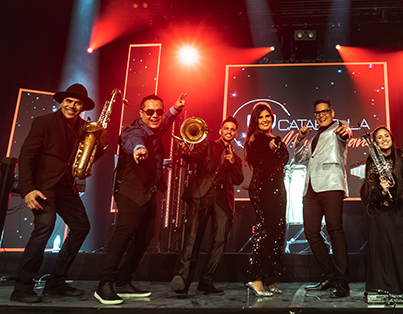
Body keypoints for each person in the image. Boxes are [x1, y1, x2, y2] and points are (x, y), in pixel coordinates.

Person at [11, 83, 106, 303]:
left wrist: (101, 145)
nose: (72, 106)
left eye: (77, 103)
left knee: (82, 226)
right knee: (45, 226)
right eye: (69, 101)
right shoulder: (43, 122)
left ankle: (55, 283)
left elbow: (87, 160)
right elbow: (26, 156)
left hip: (66, 186)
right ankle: (22, 287)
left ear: (83, 106)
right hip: (43, 185)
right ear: (62, 102)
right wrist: (28, 189)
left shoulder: (85, 127)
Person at [94, 93, 186, 304]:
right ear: (141, 113)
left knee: (145, 236)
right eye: (150, 112)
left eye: (159, 112)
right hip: (130, 191)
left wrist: (174, 109)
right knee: (125, 233)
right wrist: (139, 148)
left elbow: (163, 125)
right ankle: (104, 283)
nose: (155, 116)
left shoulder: (154, 129)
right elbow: (132, 140)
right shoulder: (134, 131)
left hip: (147, 192)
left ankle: (123, 281)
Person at [170, 116, 243, 297]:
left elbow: (239, 179)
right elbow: (192, 158)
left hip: (223, 200)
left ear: (235, 134)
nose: (229, 132)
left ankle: (206, 282)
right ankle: (183, 280)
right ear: (220, 130)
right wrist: (185, 151)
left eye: (232, 129)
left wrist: (232, 162)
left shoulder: (236, 157)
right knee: (193, 237)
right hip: (201, 194)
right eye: (226, 128)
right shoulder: (207, 144)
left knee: (219, 241)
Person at [295, 98, 351, 298]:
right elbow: (298, 158)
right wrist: (300, 138)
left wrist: (345, 131)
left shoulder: (339, 129)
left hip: (331, 185)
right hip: (310, 188)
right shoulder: (313, 137)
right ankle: (329, 275)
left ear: (332, 112)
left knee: (335, 229)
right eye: (317, 113)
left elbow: (346, 135)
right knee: (311, 232)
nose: (321, 115)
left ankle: (342, 281)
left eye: (324, 111)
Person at [243, 103, 289, 296]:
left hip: (278, 188)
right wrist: (271, 148)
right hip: (262, 189)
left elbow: (284, 159)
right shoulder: (255, 139)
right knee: (265, 231)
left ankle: (269, 276)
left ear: (272, 118)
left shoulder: (275, 139)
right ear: (255, 120)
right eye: (260, 117)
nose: (265, 120)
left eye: (267, 116)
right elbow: (263, 162)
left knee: (277, 233)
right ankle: (255, 278)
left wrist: (275, 146)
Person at [360, 126, 403, 295]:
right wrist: (382, 190)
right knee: (383, 250)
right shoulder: (371, 159)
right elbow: (370, 190)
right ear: (374, 143)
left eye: (386, 135)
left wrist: (392, 178)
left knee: (399, 249)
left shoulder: (402, 154)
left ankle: (400, 287)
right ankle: (383, 286)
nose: (384, 139)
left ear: (391, 136)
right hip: (380, 211)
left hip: (398, 208)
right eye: (379, 138)